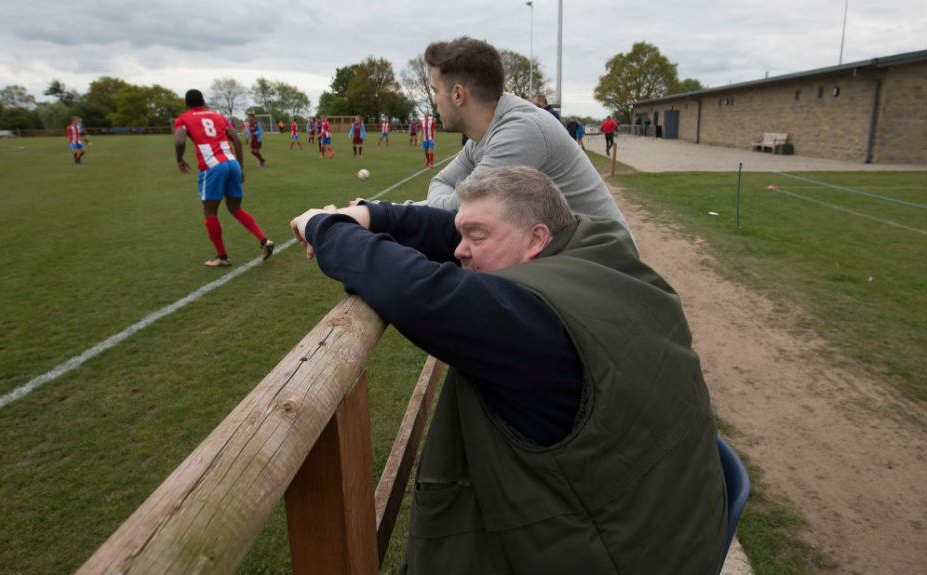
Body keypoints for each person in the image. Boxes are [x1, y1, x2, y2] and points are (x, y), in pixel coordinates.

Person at [289, 165, 727, 574]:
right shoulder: (600, 250)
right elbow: (458, 234)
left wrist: (323, 226)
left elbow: (420, 293)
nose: (458, 250)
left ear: (537, 239)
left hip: (623, 555)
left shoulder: (533, 324)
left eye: (475, 236)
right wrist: (370, 214)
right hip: (676, 531)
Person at [420, 37, 629, 233]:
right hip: (568, 251)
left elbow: (456, 211)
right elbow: (440, 182)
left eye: (436, 91)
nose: (435, 101)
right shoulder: (487, 131)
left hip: (605, 260)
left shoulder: (521, 131)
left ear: (458, 94)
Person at [174, 89, 274, 266]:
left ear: (186, 103)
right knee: (236, 209)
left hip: (212, 166)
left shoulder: (184, 118)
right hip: (232, 163)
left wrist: (180, 159)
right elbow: (236, 140)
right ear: (203, 100)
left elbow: (180, 141)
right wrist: (240, 167)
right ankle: (264, 241)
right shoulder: (218, 116)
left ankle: (222, 257)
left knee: (210, 212)